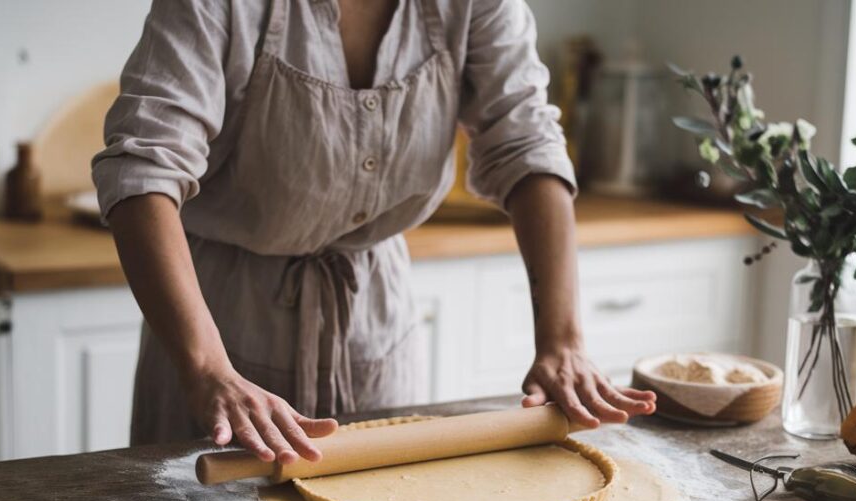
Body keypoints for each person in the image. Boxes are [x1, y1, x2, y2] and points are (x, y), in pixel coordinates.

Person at [92, 0, 657, 465]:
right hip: (219, 324)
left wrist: (562, 340)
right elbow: (144, 170)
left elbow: (526, 146)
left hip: (375, 325)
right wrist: (208, 369)